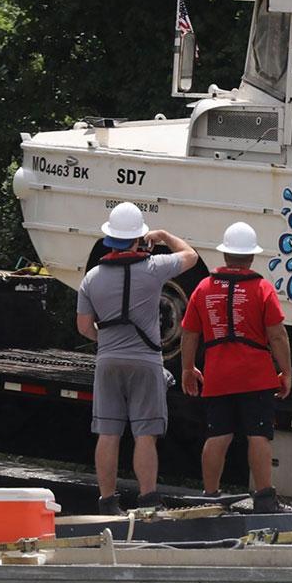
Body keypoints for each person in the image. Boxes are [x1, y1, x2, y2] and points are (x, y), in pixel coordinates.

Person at [75, 202, 198, 514]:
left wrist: (109, 341)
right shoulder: (154, 269)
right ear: (138, 239)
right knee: (145, 433)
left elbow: (84, 327)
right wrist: (165, 236)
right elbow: (191, 256)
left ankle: (107, 502)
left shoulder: (91, 278)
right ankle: (147, 500)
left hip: (108, 362)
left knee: (108, 432)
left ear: (110, 239)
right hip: (145, 362)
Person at [179, 222, 292, 513]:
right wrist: (286, 372)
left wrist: (188, 368)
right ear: (251, 257)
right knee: (258, 434)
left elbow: (190, 333)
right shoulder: (262, 288)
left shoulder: (203, 288)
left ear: (226, 254)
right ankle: (264, 498)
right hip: (256, 376)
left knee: (218, 434)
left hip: (218, 375)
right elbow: (277, 335)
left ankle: (210, 494)